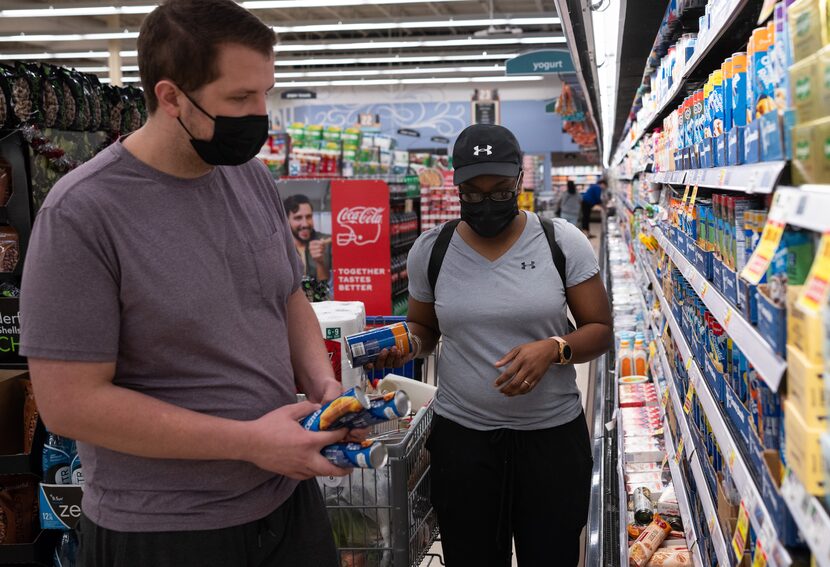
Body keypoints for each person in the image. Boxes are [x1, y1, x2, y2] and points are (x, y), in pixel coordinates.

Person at [19, 1, 364, 565]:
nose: (260, 115)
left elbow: (287, 293)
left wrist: (324, 388)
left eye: (265, 94)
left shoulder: (249, 178)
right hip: (166, 530)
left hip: (287, 504)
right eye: (238, 99)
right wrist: (251, 443)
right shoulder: (83, 213)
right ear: (171, 96)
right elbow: (70, 405)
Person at [372, 124, 613, 566]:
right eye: (473, 193)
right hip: (464, 443)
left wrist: (555, 347)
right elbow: (425, 330)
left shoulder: (561, 241)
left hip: (552, 442)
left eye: (501, 191)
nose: (487, 204)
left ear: (520, 181)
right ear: (457, 185)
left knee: (551, 556)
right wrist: (407, 345)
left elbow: (599, 328)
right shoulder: (432, 250)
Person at [283, 193, 332, 281]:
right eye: (298, 218)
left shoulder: (327, 243)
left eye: (309, 217)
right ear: (286, 221)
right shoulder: (279, 248)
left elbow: (326, 289)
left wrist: (320, 263)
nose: (305, 224)